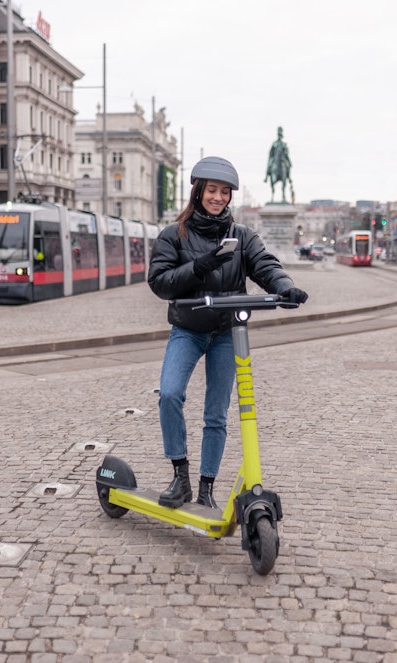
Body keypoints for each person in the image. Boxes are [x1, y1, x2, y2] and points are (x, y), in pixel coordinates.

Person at [148, 156, 308, 510]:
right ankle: (181, 476)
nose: (218, 197)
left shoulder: (243, 236)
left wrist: (286, 287)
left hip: (226, 332)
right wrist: (199, 266)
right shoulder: (173, 235)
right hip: (188, 329)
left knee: (216, 414)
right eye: (212, 190)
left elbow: (266, 265)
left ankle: (206, 488)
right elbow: (159, 282)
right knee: (170, 394)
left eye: (224, 192)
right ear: (198, 192)